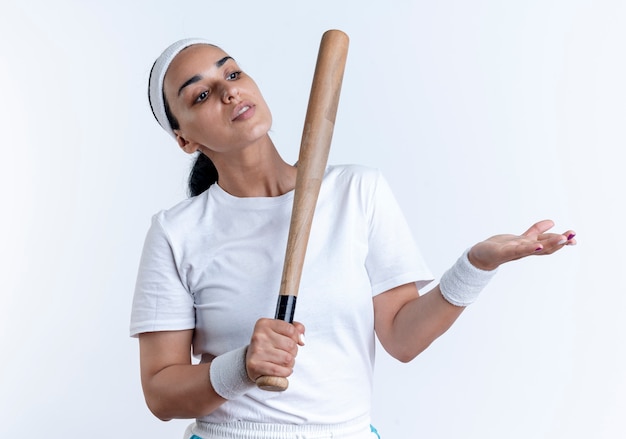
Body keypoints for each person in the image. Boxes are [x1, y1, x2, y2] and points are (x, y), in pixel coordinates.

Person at [130, 38, 576, 439]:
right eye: (202, 93)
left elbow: (403, 339)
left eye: (232, 72)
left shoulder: (356, 193)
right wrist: (241, 366)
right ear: (184, 138)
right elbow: (160, 394)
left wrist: (476, 266)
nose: (229, 91)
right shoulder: (176, 231)